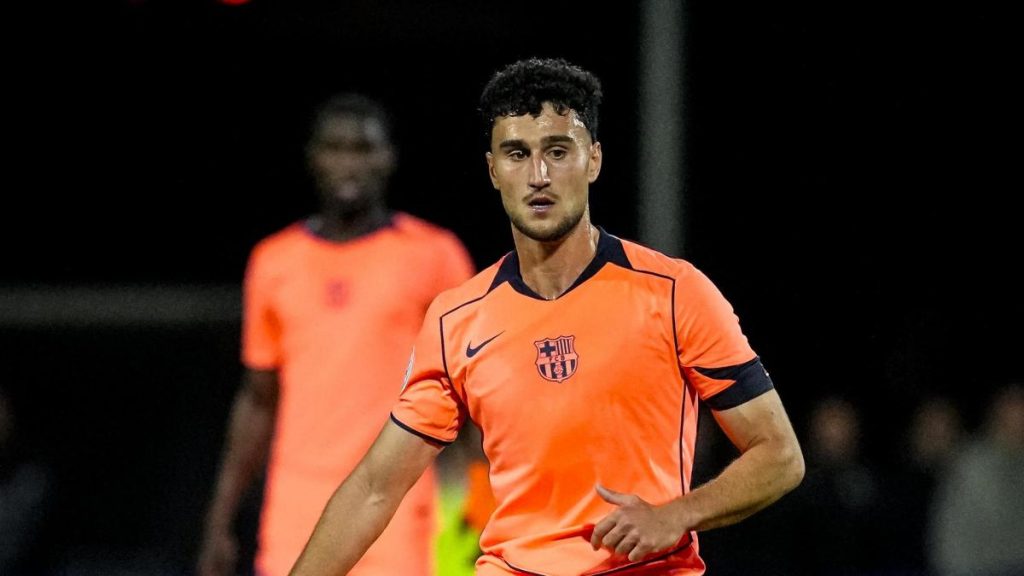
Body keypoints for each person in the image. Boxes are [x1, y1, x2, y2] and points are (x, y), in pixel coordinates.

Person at [289, 57, 804, 576]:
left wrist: (676, 515)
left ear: (593, 159)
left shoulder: (674, 293)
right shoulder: (455, 319)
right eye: (517, 154)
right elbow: (375, 488)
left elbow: (779, 454)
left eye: (558, 151)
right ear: (493, 170)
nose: (538, 176)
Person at [197, 93, 475, 576]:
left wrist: (480, 500)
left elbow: (475, 391)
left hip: (397, 511)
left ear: (387, 157)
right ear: (314, 157)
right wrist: (219, 520)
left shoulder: (435, 256)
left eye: (363, 149)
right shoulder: (273, 262)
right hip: (297, 515)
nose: (349, 162)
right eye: (335, 148)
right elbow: (258, 401)